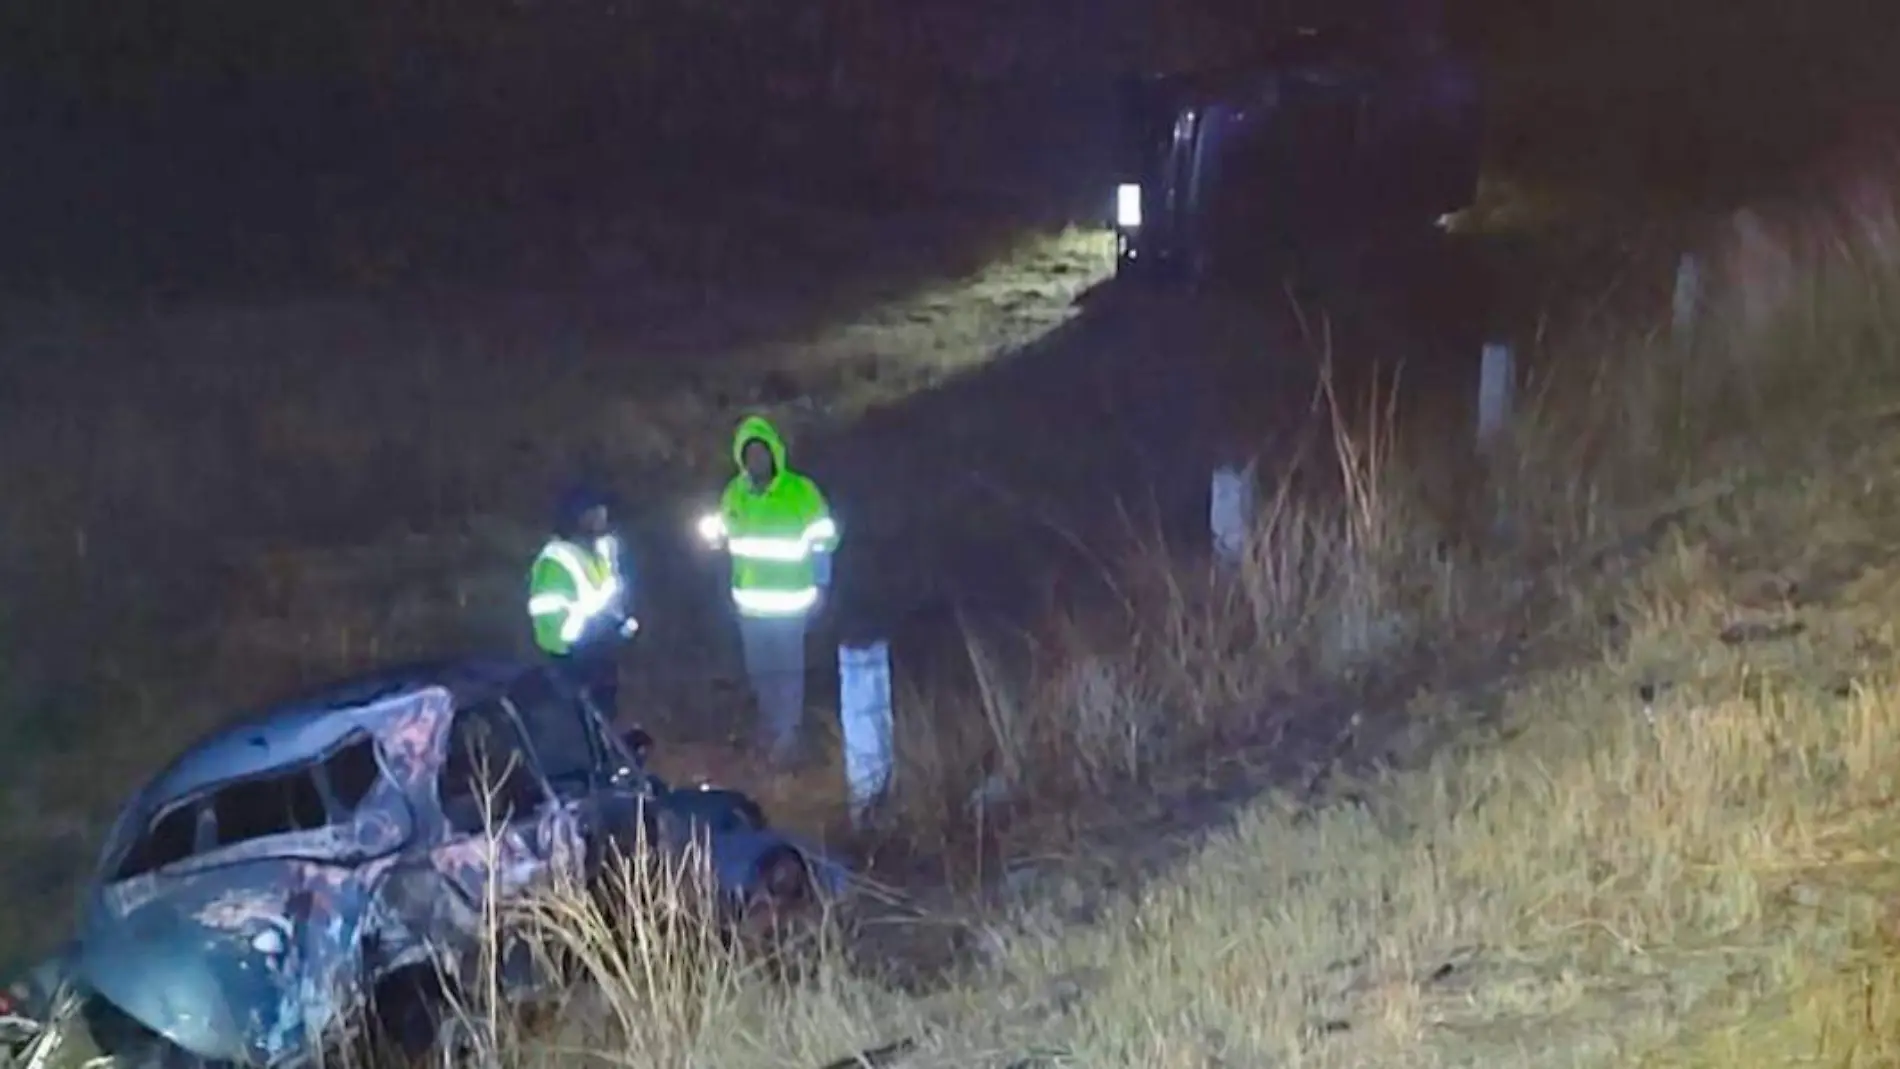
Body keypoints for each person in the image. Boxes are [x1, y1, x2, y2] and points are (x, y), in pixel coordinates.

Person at [697, 415, 838, 767]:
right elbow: (722, 534)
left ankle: (787, 740)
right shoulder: (734, 493)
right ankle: (770, 731)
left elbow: (823, 541)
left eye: (761, 452)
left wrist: (821, 585)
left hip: (791, 605)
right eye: (749, 454)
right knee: (760, 672)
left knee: (788, 673)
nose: (755, 460)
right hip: (749, 607)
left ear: (774, 453)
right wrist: (710, 536)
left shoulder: (801, 492)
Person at [527, 484, 638, 719]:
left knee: (606, 718)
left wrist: (620, 625)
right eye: (595, 510)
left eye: (602, 509)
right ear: (578, 517)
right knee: (581, 725)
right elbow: (552, 624)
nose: (603, 515)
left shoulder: (602, 550)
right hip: (571, 661)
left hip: (602, 652)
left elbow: (613, 595)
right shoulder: (556, 560)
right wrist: (594, 629)